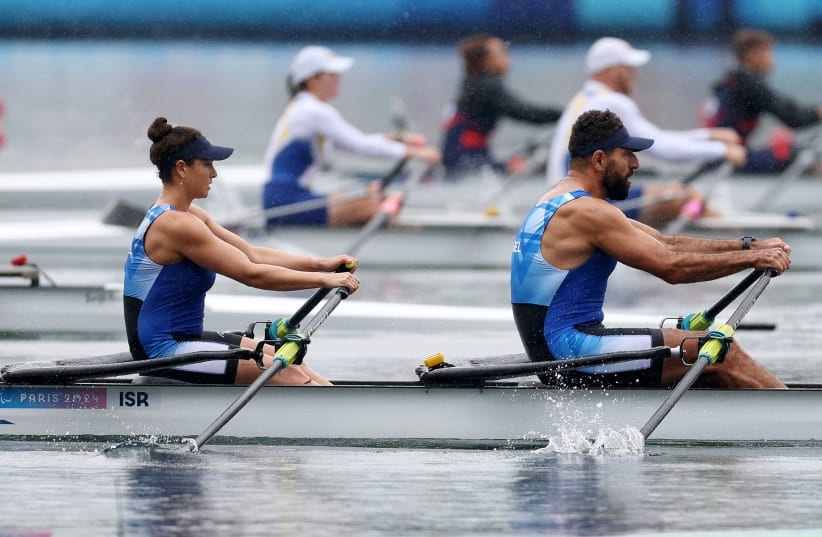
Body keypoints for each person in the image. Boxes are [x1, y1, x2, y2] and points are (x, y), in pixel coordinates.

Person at [513, 109, 791, 389]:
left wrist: (749, 247)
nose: (635, 163)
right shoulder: (586, 212)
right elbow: (671, 267)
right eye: (627, 154)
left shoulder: (561, 199)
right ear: (599, 159)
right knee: (723, 352)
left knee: (706, 363)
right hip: (570, 353)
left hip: (561, 350)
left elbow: (667, 243)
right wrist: (753, 259)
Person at [124, 117, 362, 386]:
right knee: (284, 371)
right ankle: (342, 421)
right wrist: (325, 281)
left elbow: (251, 253)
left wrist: (321, 264)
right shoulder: (174, 224)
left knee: (290, 359)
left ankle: (346, 414)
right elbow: (252, 274)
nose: (214, 174)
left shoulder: (189, 214)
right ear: (182, 169)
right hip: (162, 350)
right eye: (207, 164)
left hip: (185, 338)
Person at [547, 37, 747, 227]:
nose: (634, 75)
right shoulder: (612, 102)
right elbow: (661, 148)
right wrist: (722, 151)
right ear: (610, 70)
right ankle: (739, 237)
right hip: (581, 204)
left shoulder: (583, 98)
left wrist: (709, 135)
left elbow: (656, 137)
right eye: (628, 68)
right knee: (684, 199)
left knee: (679, 193)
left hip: (566, 196)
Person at [262, 45, 441, 227]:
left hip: (282, 199)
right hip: (287, 202)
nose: (338, 79)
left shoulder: (302, 108)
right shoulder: (313, 111)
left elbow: (354, 142)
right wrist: (418, 153)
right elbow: (361, 145)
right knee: (378, 202)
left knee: (374, 197)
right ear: (312, 79)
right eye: (332, 74)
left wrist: (397, 140)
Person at [702, 28, 822, 174]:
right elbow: (793, 117)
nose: (773, 59)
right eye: (768, 52)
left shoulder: (731, 79)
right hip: (728, 160)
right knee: (798, 154)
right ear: (752, 55)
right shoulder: (749, 86)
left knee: (789, 148)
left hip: (718, 156)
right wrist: (818, 113)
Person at [441, 34, 561, 177]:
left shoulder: (474, 82)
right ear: (485, 60)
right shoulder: (487, 86)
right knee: (535, 167)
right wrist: (567, 113)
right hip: (465, 160)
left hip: (461, 156)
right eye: (502, 51)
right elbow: (525, 113)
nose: (507, 56)